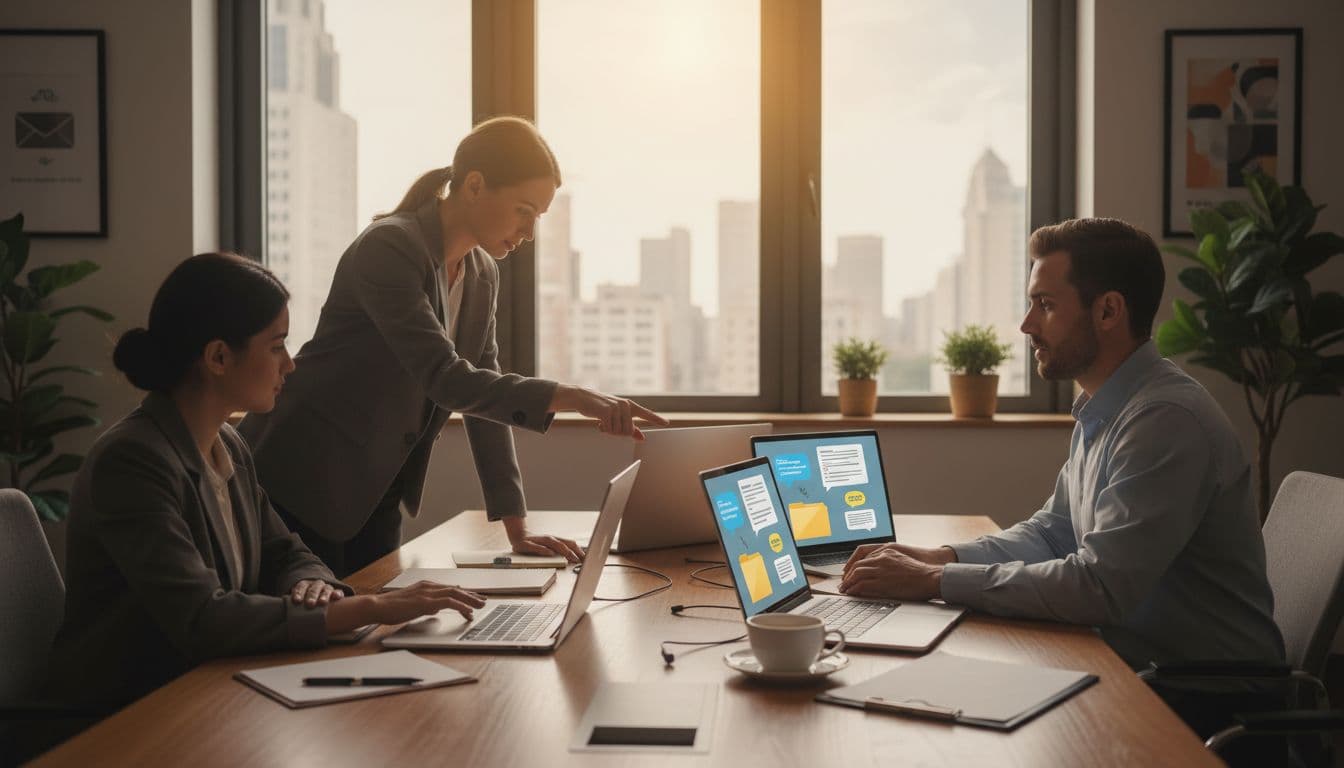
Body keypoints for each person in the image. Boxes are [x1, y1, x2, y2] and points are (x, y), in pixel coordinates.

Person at [838, 218, 1286, 742]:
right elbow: (1053, 532)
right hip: (1138, 666)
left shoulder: (1165, 420)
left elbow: (1099, 588)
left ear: (1108, 311)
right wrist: (938, 558)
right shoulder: (1108, 408)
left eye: (1046, 305)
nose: (1027, 324)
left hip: (1207, 701)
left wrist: (935, 583)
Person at [50, 254, 487, 709]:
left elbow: (285, 550)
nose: (290, 366)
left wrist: (314, 583)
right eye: (276, 346)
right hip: (126, 712)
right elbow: (202, 618)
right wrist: (370, 607)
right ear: (219, 357)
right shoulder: (132, 461)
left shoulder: (229, 445)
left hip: (207, 687)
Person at [240, 116, 667, 578]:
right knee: (315, 636)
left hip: (374, 490)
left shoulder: (482, 273)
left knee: (371, 629)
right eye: (524, 210)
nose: (529, 232)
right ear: (476, 185)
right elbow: (446, 378)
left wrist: (516, 528)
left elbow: (485, 402)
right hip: (298, 476)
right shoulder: (390, 248)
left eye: (538, 217)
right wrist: (572, 396)